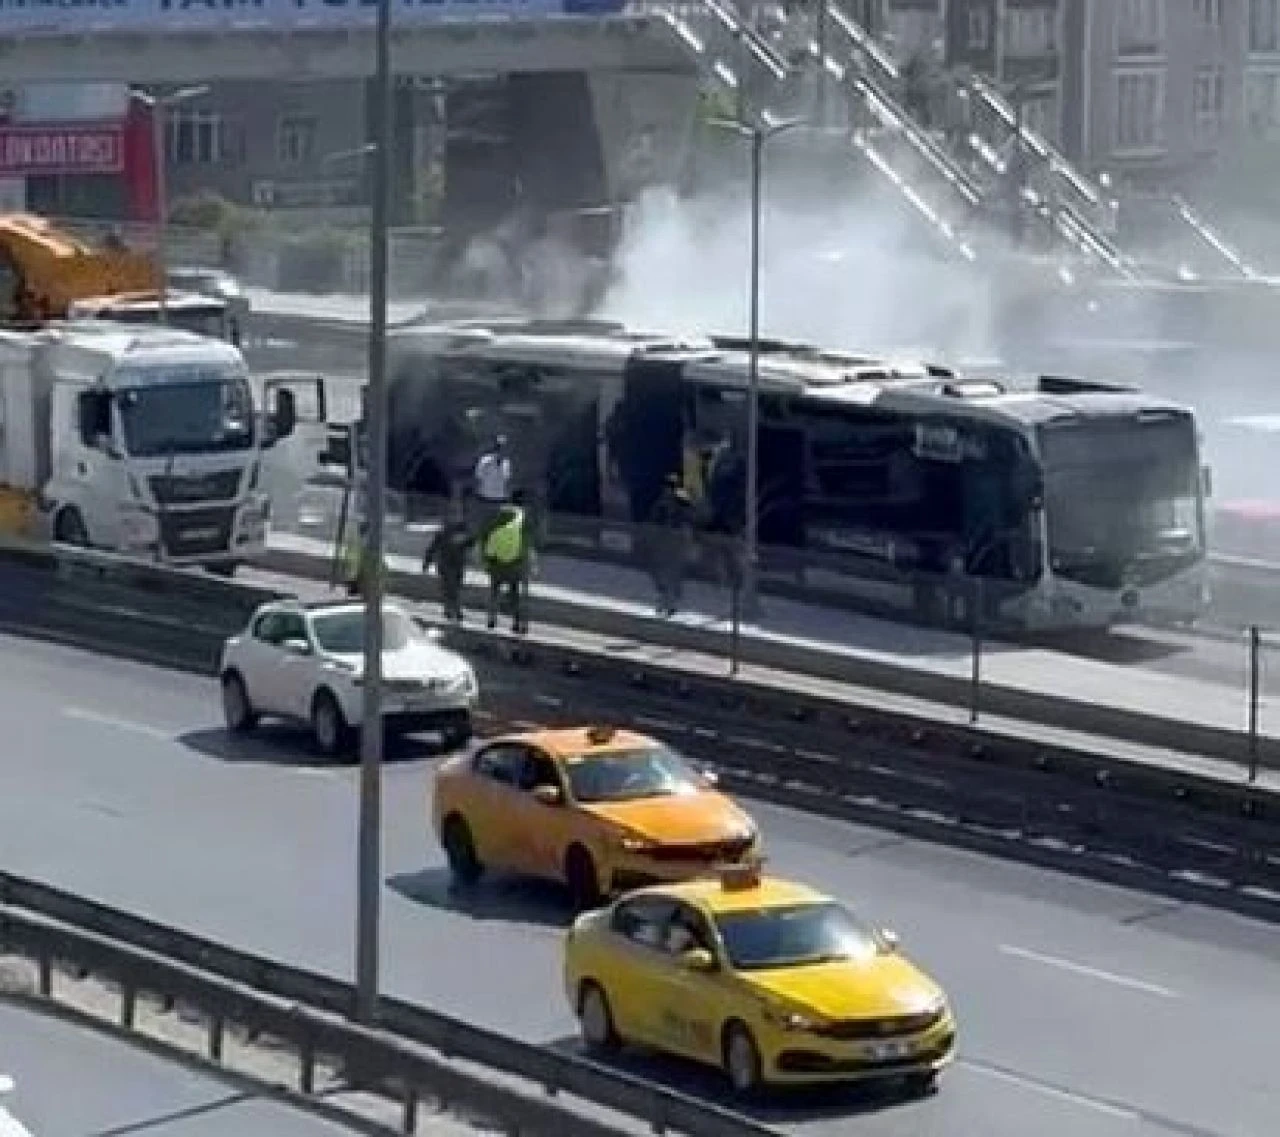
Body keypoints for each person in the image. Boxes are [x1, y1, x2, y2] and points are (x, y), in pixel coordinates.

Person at [481, 490, 533, 633]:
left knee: (494, 591)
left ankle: (491, 619)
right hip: (515, 563)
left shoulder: (498, 514)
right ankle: (517, 622)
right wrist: (527, 563)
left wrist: (486, 558)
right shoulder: (523, 519)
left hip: (496, 561)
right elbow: (527, 542)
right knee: (515, 593)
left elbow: (486, 534)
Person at [646, 473, 694, 617]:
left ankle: (670, 604)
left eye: (672, 486)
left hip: (675, 543)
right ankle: (664, 602)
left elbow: (688, 518)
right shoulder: (661, 503)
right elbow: (654, 521)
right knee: (662, 575)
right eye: (668, 486)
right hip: (664, 543)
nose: (670, 490)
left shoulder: (681, 501)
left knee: (673, 575)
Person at [422, 501, 473, 623]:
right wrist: (427, 562)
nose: (455, 517)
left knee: (457, 587)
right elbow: (433, 547)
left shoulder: (464, 529)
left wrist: (465, 540)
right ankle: (451, 609)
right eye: (453, 514)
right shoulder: (443, 531)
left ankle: (454, 608)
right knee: (449, 587)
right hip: (445, 563)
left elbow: (470, 543)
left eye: (457, 514)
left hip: (459, 563)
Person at [473, 434, 512, 523]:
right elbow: (478, 476)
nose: (502, 450)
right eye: (499, 447)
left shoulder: (507, 463)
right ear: (495, 447)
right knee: (483, 522)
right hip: (485, 498)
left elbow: (507, 479)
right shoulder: (485, 460)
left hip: (499, 499)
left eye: (504, 447)